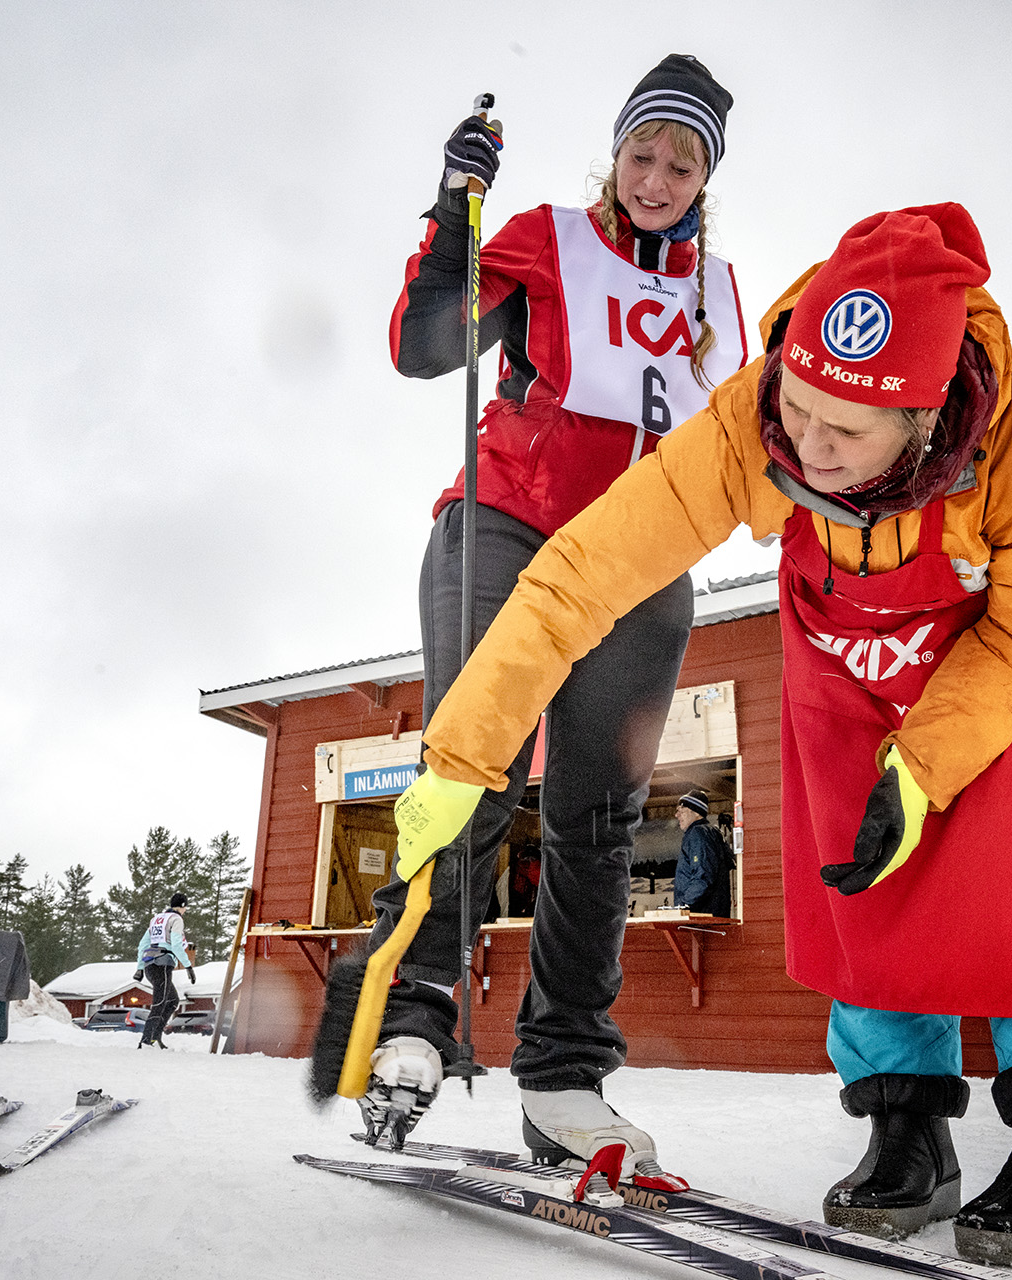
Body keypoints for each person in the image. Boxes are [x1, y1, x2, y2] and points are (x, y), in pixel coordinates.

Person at [388, 203, 1012, 1265]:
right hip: (840, 659)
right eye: (799, 406)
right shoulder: (756, 418)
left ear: (925, 422)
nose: (807, 443)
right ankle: (908, 1126)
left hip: (979, 664)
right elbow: (578, 576)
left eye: (845, 431)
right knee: (855, 884)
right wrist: (460, 763)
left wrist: (924, 768)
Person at [361, 54, 744, 1180]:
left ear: (705, 176)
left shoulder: (718, 294)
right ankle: (419, 1004)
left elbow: (739, 440)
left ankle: (566, 1070)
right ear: (615, 153)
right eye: (643, 153)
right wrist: (451, 210)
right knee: (471, 753)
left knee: (600, 816)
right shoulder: (547, 237)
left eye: (683, 162)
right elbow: (422, 345)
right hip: (511, 527)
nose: (658, 178)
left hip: (638, 559)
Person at [134, 893, 198, 1048]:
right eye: (185, 908)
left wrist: (140, 969)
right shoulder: (176, 920)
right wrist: (188, 966)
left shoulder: (156, 919)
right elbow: (176, 945)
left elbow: (143, 944)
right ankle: (146, 1041)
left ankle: (156, 1037)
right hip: (163, 964)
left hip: (150, 964)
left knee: (172, 1000)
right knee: (160, 1002)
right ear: (183, 906)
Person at [673, 792, 734, 917]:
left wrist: (683, 907)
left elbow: (703, 877)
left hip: (701, 919)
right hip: (713, 916)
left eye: (682, 810)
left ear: (696, 812)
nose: (677, 815)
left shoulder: (698, 834)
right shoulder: (711, 833)